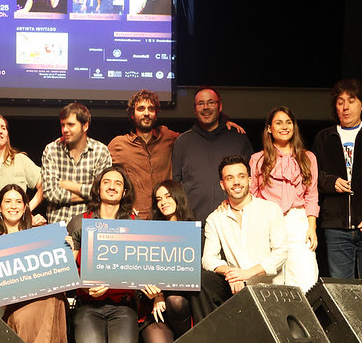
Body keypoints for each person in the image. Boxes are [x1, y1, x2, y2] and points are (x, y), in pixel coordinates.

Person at [313, 78, 362, 304]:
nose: (345, 107)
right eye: (340, 102)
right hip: (336, 227)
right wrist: (330, 182)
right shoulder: (324, 137)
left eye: (351, 100)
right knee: (341, 290)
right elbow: (313, 175)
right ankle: (347, 341)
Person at [0, 184, 68, 343]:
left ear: (25, 207)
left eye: (18, 202)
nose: (13, 206)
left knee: (53, 293)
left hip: (38, 298)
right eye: (8, 201)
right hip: (8, 306)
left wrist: (65, 248)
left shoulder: (39, 237)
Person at [67, 165, 139, 343]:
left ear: (124, 192)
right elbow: (68, 271)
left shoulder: (135, 224)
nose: (112, 187)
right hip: (88, 304)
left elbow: (138, 269)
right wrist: (85, 286)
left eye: (118, 183)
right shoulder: (80, 222)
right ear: (98, 189)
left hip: (122, 305)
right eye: (106, 182)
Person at [201, 156, 287, 309]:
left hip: (269, 290)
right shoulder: (215, 219)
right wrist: (233, 274)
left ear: (249, 180)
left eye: (241, 176)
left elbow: (280, 253)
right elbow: (208, 259)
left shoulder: (270, 210)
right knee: (203, 280)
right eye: (229, 178)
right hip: (236, 290)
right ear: (222, 184)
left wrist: (247, 273)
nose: (236, 182)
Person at [249, 106, 319, 292]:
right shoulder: (257, 159)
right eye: (279, 122)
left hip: (298, 221)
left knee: (305, 278)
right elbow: (252, 195)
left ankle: (304, 320)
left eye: (289, 122)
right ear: (269, 128)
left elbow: (311, 195)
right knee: (272, 279)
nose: (284, 126)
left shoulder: (307, 158)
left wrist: (311, 227)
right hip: (268, 221)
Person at [172, 87, 254, 222]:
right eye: (200, 103)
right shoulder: (182, 142)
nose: (206, 107)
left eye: (211, 102)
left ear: (219, 106)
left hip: (234, 222)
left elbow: (253, 179)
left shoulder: (238, 138)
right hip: (194, 224)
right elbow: (176, 185)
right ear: (194, 109)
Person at [139, 180, 195, 343]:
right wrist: (156, 295)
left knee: (176, 300)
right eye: (158, 199)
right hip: (155, 306)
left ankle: (186, 341)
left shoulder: (194, 231)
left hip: (183, 305)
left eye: (168, 196)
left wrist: (163, 294)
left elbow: (192, 273)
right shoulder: (149, 231)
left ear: (178, 197)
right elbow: (143, 269)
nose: (163, 202)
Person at [108, 90, 179, 219]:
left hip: (163, 216)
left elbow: (193, 138)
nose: (146, 113)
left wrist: (224, 124)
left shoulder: (167, 136)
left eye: (151, 109)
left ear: (156, 114)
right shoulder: (118, 144)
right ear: (132, 115)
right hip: (133, 219)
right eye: (141, 109)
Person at [41, 102, 112, 224]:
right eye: (63, 125)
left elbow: (104, 191)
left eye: (70, 125)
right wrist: (88, 196)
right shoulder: (51, 150)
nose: (65, 130)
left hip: (89, 225)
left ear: (85, 126)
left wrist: (70, 185)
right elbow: (50, 193)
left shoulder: (100, 151)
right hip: (58, 225)